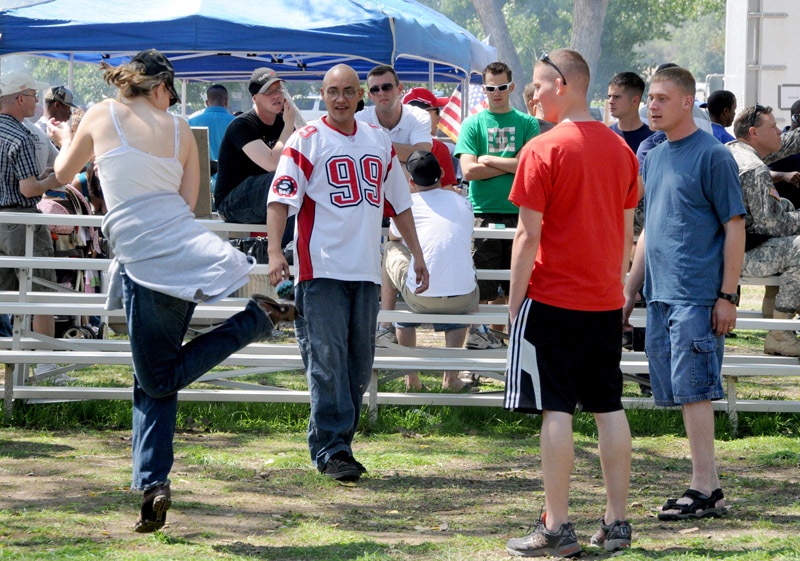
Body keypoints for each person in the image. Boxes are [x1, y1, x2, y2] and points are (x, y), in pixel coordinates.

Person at [48, 49, 296, 533]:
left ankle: (256, 319)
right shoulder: (182, 130)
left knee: (157, 378)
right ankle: (152, 484)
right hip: (186, 254)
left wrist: (64, 137)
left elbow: (61, 174)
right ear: (161, 87)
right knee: (154, 378)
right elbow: (188, 202)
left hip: (147, 263)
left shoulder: (100, 113)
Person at [503, 49, 638, 557]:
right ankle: (617, 523)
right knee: (608, 405)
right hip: (604, 300)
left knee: (555, 407)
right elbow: (625, 236)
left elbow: (526, 236)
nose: (530, 94)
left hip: (552, 299)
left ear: (562, 83)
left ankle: (557, 526)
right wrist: (616, 288)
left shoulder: (543, 149)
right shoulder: (623, 151)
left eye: (536, 85)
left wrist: (514, 305)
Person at [266, 63, 429, 482]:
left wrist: (419, 255)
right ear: (323, 95)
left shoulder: (378, 141)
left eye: (348, 91)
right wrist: (273, 252)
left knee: (358, 362)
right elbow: (280, 200)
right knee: (327, 359)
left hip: (365, 271)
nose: (340, 98)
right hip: (320, 269)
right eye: (332, 91)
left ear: (361, 95)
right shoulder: (306, 140)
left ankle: (340, 442)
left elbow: (401, 204)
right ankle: (331, 448)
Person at [623, 66, 745, 523]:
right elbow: (648, 230)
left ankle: (705, 485)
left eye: (661, 99)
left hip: (697, 295)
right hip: (660, 295)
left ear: (687, 102)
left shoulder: (713, 155)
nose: (650, 105)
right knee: (678, 392)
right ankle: (705, 485)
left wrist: (727, 295)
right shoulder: (652, 157)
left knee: (695, 392)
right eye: (649, 98)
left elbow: (735, 227)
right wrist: (630, 290)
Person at [455, 61, 539, 349]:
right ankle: (478, 344)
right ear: (484, 89)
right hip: (482, 213)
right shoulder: (473, 123)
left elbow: (530, 167)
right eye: (491, 88)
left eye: (502, 87)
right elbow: (468, 171)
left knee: (517, 285)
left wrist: (488, 159)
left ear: (511, 86)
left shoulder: (527, 123)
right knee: (482, 286)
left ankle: (508, 344)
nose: (497, 93)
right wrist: (511, 165)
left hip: (521, 212)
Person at [384, 150, 479, 391]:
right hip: (465, 299)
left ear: (411, 181)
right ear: (443, 174)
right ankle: (452, 378)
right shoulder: (463, 202)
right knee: (455, 270)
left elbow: (395, 236)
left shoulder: (407, 205)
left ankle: (386, 328)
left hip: (421, 298)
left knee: (390, 249)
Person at [356, 66, 432, 345]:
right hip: (372, 200)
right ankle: (384, 324)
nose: (380, 93)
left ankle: (392, 323)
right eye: (374, 89)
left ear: (400, 89)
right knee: (381, 258)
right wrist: (404, 154)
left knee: (405, 256)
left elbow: (423, 154)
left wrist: (378, 145)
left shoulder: (418, 115)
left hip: (411, 201)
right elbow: (415, 154)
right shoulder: (360, 117)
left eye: (386, 87)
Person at [727, 104, 800, 356]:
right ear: (754, 132)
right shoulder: (754, 169)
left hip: (729, 248)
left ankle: (774, 308)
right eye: (773, 127)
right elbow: (774, 226)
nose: (780, 131)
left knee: (786, 210)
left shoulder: (734, 151)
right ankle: (779, 332)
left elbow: (788, 142)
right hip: (734, 257)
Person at [0, 71, 60, 369]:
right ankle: (46, 368)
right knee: (41, 291)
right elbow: (28, 188)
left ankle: (13, 360)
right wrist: (52, 180)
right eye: (34, 95)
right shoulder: (21, 136)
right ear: (20, 98)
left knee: (5, 296)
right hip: (20, 221)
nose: (38, 101)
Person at [214, 68, 296, 226]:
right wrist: (289, 125)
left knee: (299, 176)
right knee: (282, 180)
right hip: (230, 204)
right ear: (255, 98)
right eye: (269, 92)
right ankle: (281, 247)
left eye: (279, 89)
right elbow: (272, 164)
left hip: (264, 195)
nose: (277, 95)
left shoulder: (282, 123)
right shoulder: (242, 125)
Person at [401, 87, 458, 190]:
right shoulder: (438, 148)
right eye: (437, 111)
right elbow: (447, 192)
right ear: (421, 114)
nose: (439, 117)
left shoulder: (387, 144)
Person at [187, 84, 235, 174]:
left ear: (207, 102)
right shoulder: (236, 122)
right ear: (226, 101)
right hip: (229, 178)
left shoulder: (191, 123)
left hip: (201, 177)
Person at [607, 71, 654, 154]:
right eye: (609, 96)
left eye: (616, 97)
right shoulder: (605, 136)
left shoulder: (652, 141)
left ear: (634, 100)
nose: (610, 101)